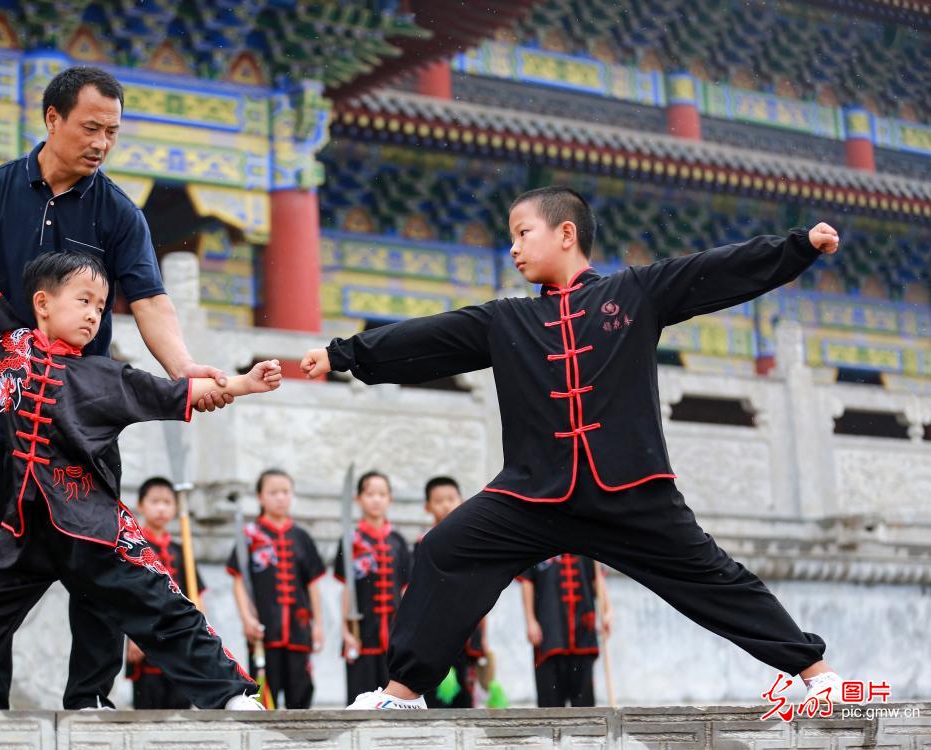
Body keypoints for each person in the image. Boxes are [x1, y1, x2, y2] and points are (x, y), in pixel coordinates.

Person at [301, 186, 843, 710]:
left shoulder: (634, 293)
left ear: (566, 233)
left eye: (522, 233)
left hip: (629, 492)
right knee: (446, 549)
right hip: (534, 494)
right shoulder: (508, 320)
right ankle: (404, 695)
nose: (512, 247)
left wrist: (796, 248)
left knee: (713, 578)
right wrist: (342, 355)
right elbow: (428, 338)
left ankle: (817, 676)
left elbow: (713, 270)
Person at [0, 66, 231, 709]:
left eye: (113, 132)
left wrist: (184, 372)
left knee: (101, 564)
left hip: (82, 429)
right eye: (91, 127)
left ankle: (89, 696)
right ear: (53, 119)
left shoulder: (117, 210)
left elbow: (149, 301)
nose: (101, 142)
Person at [226, 469, 326, 708]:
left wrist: (318, 625)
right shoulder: (249, 536)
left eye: (285, 492)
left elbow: (312, 584)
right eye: (273, 492)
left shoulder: (302, 537)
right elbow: (238, 581)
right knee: (262, 695)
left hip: (298, 630)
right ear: (260, 497)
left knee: (301, 693)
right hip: (263, 632)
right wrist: (246, 618)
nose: (280, 497)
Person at [125, 476, 207, 709]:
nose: (161, 508)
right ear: (140, 505)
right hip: (145, 640)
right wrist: (134, 637)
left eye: (167, 502)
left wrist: (202, 636)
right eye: (154, 501)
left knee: (181, 709)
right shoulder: (133, 547)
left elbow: (196, 596)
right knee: (147, 712)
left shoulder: (182, 550)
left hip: (181, 642)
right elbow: (127, 596)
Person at [332, 471, 412, 704]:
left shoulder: (398, 541)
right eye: (370, 494)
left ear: (390, 499)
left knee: (394, 700)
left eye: (382, 494)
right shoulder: (350, 540)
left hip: (394, 634)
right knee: (360, 700)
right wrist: (345, 632)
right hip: (361, 633)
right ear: (358, 499)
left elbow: (405, 591)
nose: (376, 499)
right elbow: (346, 589)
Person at [419, 476, 486, 709]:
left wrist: (483, 635)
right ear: (428, 507)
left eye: (451, 499)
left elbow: (482, 590)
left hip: (466, 636)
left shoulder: (476, 544)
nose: (446, 505)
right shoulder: (423, 545)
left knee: (466, 703)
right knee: (436, 703)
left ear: (462, 501)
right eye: (439, 501)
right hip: (433, 638)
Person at [519, 554, 611, 707]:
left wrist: (608, 611)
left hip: (583, 633)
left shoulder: (587, 543)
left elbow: (597, 579)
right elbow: (527, 581)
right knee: (550, 705)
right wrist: (530, 620)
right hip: (549, 633)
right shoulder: (537, 540)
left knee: (584, 705)